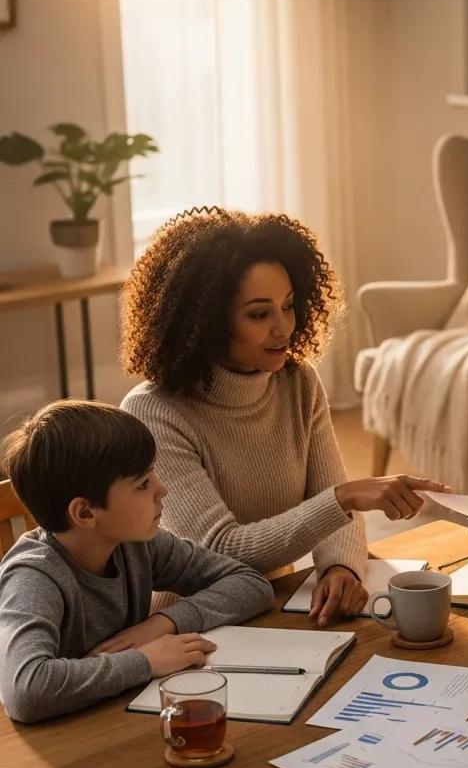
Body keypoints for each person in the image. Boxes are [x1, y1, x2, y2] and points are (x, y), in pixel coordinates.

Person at [120, 207, 448, 626]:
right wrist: (343, 497)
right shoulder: (153, 412)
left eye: (289, 306)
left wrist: (340, 568)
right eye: (259, 314)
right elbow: (219, 552)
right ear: (203, 323)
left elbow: (332, 510)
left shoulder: (297, 383)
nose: (284, 328)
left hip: (276, 608)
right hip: (188, 624)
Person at [0, 401, 274, 723]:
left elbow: (251, 583)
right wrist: (145, 661)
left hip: (116, 714)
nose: (162, 489)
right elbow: (26, 692)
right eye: (142, 484)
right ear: (85, 513)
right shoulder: (33, 578)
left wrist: (161, 624)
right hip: (58, 743)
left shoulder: (136, 545)